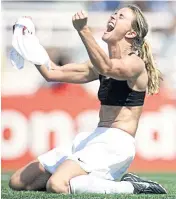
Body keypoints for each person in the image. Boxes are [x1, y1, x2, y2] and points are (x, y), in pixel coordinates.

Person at [9, 5, 167, 194]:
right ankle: (84, 180)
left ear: (131, 33)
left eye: (121, 16)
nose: (114, 16)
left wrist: (83, 30)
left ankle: (131, 187)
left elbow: (108, 67)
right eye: (114, 13)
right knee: (19, 181)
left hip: (116, 144)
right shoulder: (99, 64)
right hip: (93, 138)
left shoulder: (135, 63)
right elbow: (52, 72)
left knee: (57, 184)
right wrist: (28, 41)